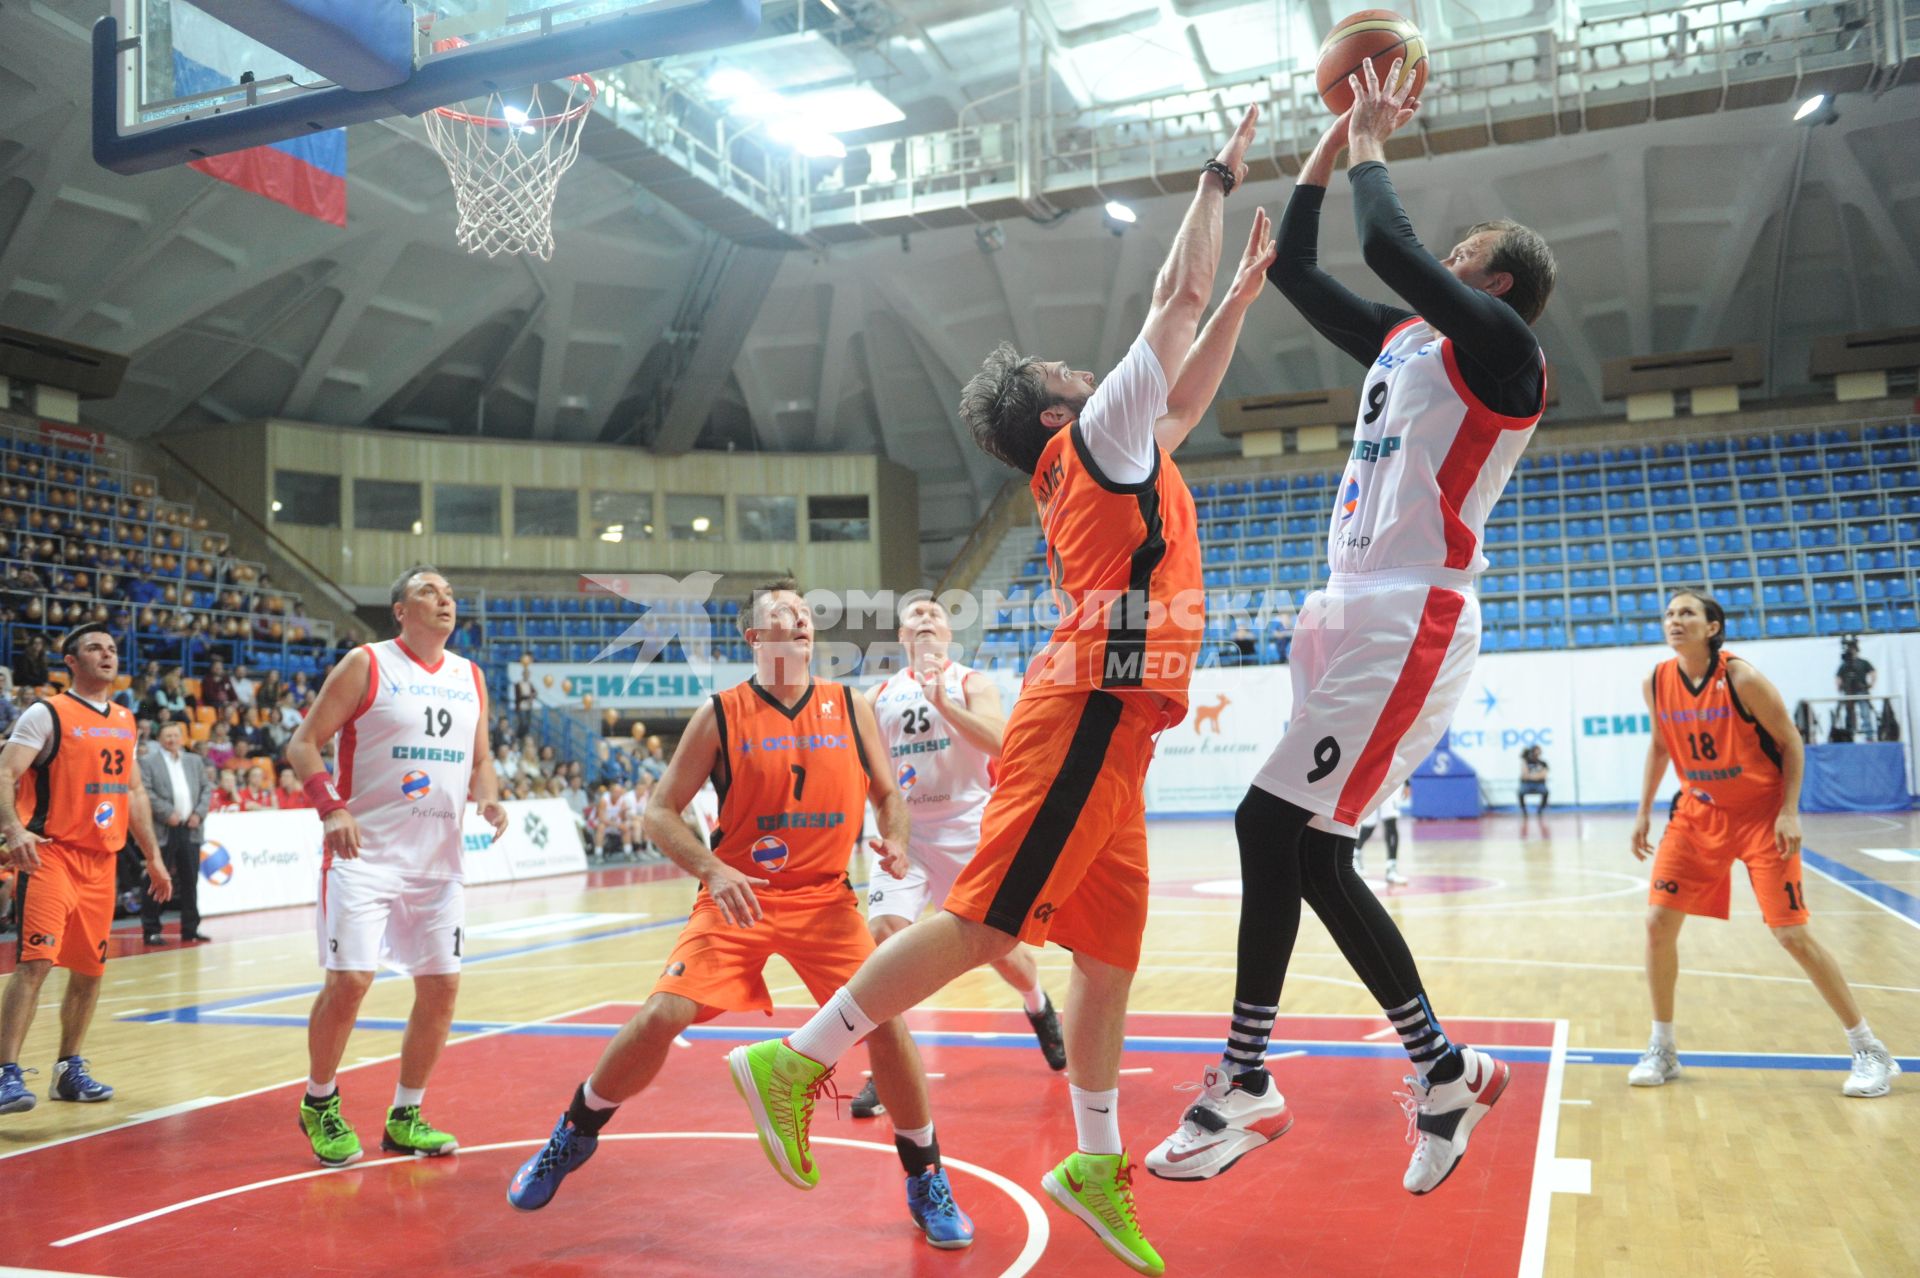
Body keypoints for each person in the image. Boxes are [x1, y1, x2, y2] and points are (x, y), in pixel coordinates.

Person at [729, 109, 1270, 1276]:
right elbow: (1170, 312)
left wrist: (1243, 299)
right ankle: (800, 1057)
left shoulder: (1124, 444)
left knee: (1112, 954)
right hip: (1083, 709)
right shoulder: (1092, 438)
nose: (1096, 369)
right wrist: (1217, 180)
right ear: (1058, 409)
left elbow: (1186, 390)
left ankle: (1090, 1157)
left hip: (1123, 731)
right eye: (1074, 373)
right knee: (986, 921)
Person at [1147, 61, 1555, 1196]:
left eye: (1465, 255)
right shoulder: (1402, 345)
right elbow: (1308, 272)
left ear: (1499, 282)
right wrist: (1330, 148)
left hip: (1410, 615)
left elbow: (1390, 251)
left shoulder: (1505, 358)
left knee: (1263, 824)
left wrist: (1376, 137)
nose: (1446, 262)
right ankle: (1445, 1072)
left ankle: (1243, 1083)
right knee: (1313, 853)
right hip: (1345, 612)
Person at [508, 580, 975, 1248]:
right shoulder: (721, 714)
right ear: (754, 639)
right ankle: (574, 1134)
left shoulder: (848, 704)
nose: (801, 622)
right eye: (783, 615)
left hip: (824, 898)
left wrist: (897, 840)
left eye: (807, 614)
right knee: (659, 1016)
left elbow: (887, 795)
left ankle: (925, 1177)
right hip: (741, 893)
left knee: (887, 1023)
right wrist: (712, 868)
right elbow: (660, 812)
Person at [1628, 591, 1898, 1097]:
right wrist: (1643, 810)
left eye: (1686, 612)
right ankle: (1662, 1046)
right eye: (1668, 613)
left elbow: (1792, 743)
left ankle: (1869, 1049)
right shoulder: (1656, 681)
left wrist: (1790, 811)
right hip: (1697, 812)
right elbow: (1661, 745)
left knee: (1791, 935)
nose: (1674, 620)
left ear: (1712, 627)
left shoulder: (1741, 679)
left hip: (1761, 816)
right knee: (1657, 922)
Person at [289, 566, 507, 1166]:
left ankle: (406, 1114)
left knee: (441, 989)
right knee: (351, 982)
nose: (445, 600)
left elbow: (481, 757)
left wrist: (488, 794)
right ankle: (319, 1100)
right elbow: (302, 743)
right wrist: (330, 808)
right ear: (400, 611)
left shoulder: (471, 676)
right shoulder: (367, 663)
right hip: (365, 855)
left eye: (450, 593)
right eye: (429, 592)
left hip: (438, 862)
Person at [848, 595, 1065, 1124]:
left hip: (970, 834)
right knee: (885, 938)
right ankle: (889, 1061)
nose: (925, 620)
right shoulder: (876, 695)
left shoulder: (972, 683)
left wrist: (944, 704)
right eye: (915, 616)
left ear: (948, 635)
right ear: (901, 636)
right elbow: (869, 776)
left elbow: (1001, 743)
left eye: (935, 615)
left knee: (1001, 954)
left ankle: (1038, 1004)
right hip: (908, 836)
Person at [0, 623, 173, 1114]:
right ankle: (5, 1074)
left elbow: (135, 792)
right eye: (95, 648)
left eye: (113, 649)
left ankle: (68, 1069)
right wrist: (14, 831)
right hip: (51, 853)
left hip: (102, 861)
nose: (107, 655)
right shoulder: (47, 712)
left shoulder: (124, 718)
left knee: (90, 970)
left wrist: (154, 857)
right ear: (71, 662)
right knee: (35, 963)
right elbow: (6, 771)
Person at [138, 721, 213, 946]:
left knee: (190, 880)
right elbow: (145, 792)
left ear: (182, 738)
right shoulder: (148, 762)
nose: (172, 739)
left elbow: (206, 789)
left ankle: (191, 929)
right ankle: (151, 929)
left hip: (191, 828)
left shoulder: (194, 761)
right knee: (156, 879)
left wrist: (198, 814)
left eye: (175, 735)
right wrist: (167, 813)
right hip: (163, 828)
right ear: (160, 739)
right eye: (167, 736)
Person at [1354, 782, 1409, 886]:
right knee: (1369, 826)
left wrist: (1407, 783)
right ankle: (1356, 853)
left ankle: (1391, 869)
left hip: (1392, 782)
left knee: (1391, 823)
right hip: (1372, 781)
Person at [1518, 746, 1549, 816]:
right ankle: (1524, 810)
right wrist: (1536, 776)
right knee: (1520, 792)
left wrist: (1531, 776)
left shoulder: (1543, 763)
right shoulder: (1526, 762)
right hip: (1527, 784)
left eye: (1538, 752)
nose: (1536, 754)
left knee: (1545, 791)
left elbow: (1543, 775)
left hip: (1539, 784)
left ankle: (1540, 810)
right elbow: (1525, 775)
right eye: (1535, 752)